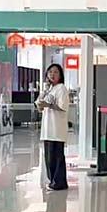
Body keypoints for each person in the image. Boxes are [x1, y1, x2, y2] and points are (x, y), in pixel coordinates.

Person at [36, 63, 69, 191]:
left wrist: (48, 105)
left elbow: (62, 107)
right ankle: (52, 181)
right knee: (49, 157)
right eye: (50, 72)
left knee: (57, 157)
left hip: (57, 129)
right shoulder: (49, 89)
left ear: (60, 75)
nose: (52, 75)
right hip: (47, 129)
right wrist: (43, 96)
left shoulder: (61, 89)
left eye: (55, 72)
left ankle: (59, 182)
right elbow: (39, 106)